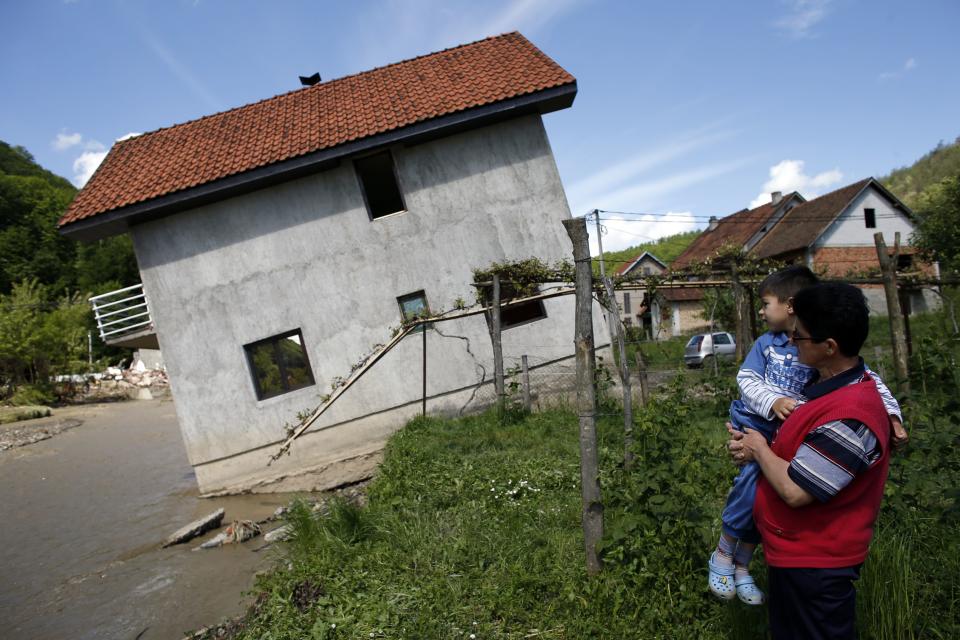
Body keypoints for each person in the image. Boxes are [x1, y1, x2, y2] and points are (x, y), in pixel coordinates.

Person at [707, 267, 905, 606]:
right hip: (761, 420)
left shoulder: (851, 403)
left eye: (766, 302)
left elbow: (875, 385)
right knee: (754, 491)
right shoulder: (770, 346)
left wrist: (894, 417)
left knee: (761, 490)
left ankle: (737, 561)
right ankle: (727, 556)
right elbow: (748, 380)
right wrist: (770, 409)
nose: (794, 344)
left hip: (820, 561)